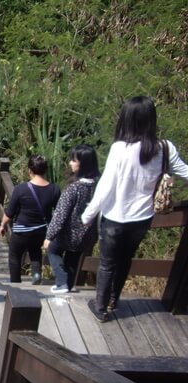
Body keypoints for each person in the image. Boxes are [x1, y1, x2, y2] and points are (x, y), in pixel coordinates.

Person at [81, 96, 188, 322]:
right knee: (125, 260)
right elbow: (186, 172)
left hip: (115, 218)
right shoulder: (164, 148)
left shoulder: (120, 149)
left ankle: (100, 308)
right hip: (142, 220)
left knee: (107, 263)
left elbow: (105, 187)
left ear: (127, 120)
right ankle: (112, 300)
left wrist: (88, 215)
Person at [44, 145, 100, 294]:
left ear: (83, 163)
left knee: (53, 250)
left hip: (69, 233)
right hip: (87, 234)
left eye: (73, 160)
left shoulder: (73, 188)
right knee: (73, 259)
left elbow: (60, 215)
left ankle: (62, 282)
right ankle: (67, 286)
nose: (70, 163)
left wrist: (49, 237)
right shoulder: (98, 185)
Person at [0, 155, 60, 283]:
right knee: (35, 251)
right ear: (45, 170)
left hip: (22, 230)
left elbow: (10, 212)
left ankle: (15, 282)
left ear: (30, 171)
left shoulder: (21, 189)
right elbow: (59, 212)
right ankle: (36, 275)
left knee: (15, 256)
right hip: (41, 231)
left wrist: (3, 225)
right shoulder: (54, 189)